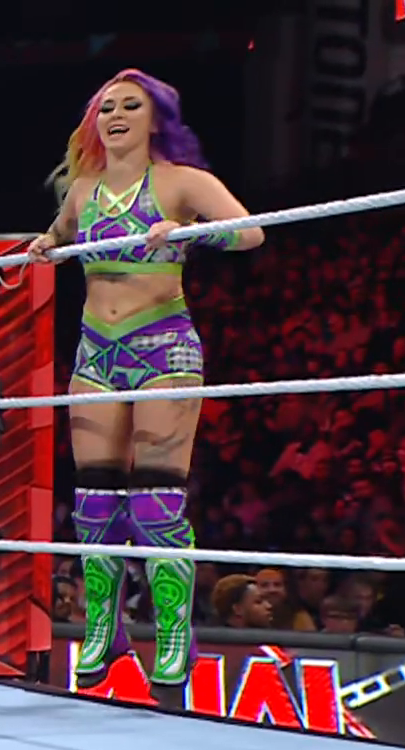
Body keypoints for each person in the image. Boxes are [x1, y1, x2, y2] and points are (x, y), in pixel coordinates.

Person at [28, 69, 264, 691]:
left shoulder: (181, 181)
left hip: (163, 347)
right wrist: (45, 243)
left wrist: (190, 233)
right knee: (93, 502)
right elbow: (61, 234)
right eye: (107, 108)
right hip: (95, 352)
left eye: (130, 105)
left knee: (157, 500)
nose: (116, 116)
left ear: (155, 117)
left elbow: (251, 232)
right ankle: (102, 627)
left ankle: (174, 632)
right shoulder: (83, 190)